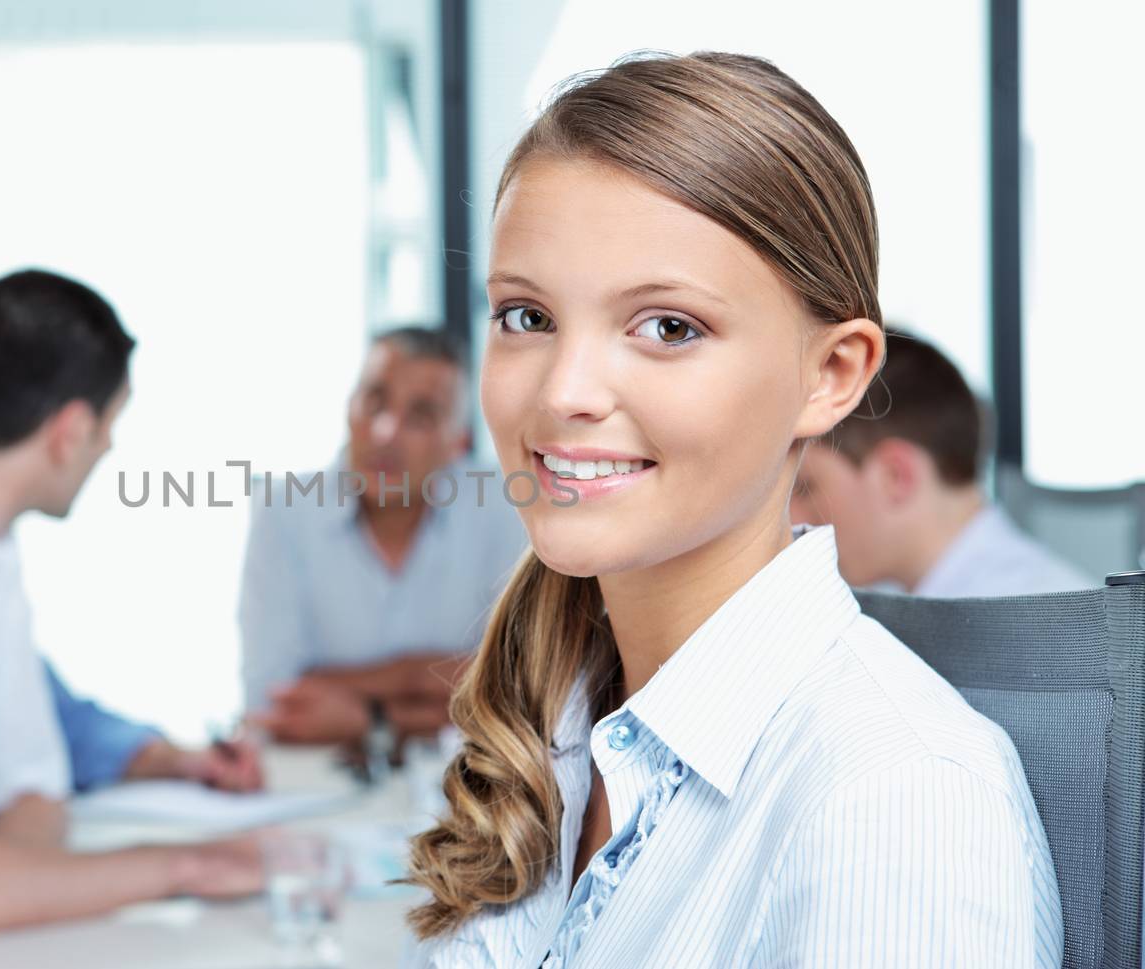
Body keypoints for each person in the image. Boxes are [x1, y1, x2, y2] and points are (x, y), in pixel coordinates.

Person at [402, 52, 1060, 968]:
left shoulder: (895, 797)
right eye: (526, 316)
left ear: (829, 376)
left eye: (668, 326)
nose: (564, 392)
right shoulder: (564, 729)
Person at [0, 269, 261, 936]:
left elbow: (38, 787)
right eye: (111, 424)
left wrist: (4, 876)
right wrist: (183, 865)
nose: (111, 447)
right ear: (70, 430)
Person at [238, 326, 527, 747]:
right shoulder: (282, 511)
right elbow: (273, 700)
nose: (385, 432)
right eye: (374, 402)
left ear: (456, 444)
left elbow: (522, 692)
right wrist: (437, 677)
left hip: (465, 784)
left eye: (421, 415)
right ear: (348, 407)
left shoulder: (506, 509)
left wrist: (370, 715)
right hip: (311, 783)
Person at [791, 329, 1090, 596]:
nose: (792, 518)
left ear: (895, 476)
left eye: (806, 488)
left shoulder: (1042, 630)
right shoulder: (897, 605)